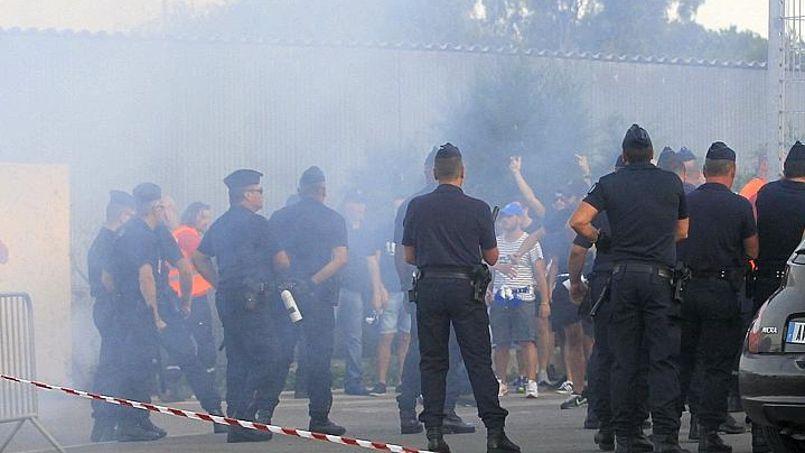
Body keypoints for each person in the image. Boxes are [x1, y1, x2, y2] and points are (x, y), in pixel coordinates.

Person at [570, 124, 690, 452]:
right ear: (652, 154)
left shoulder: (609, 183)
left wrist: (605, 239)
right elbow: (683, 231)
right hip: (660, 278)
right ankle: (665, 435)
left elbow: (578, 221)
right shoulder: (671, 182)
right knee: (662, 359)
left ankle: (627, 434)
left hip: (621, 277)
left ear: (624, 155)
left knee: (624, 359)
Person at [403, 143, 520, 453]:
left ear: (435, 173)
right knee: (479, 361)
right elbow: (493, 258)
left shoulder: (416, 206)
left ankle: (435, 435)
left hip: (430, 287)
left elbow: (409, 255)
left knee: (432, 362)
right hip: (466, 289)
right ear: (462, 173)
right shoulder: (479, 208)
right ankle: (495, 433)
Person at [677, 142, 758, 453]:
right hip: (722, 291)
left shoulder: (686, 201)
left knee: (684, 361)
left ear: (706, 171)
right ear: (732, 170)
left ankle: (669, 430)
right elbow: (753, 250)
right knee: (716, 364)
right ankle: (708, 431)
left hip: (686, 290)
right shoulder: (739, 206)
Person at [192, 169, 280, 443]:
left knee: (238, 359)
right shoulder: (258, 224)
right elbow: (281, 260)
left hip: (229, 300)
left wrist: (220, 283)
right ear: (247, 195)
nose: (262, 196)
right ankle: (248, 416)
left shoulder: (220, 224)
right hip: (253, 301)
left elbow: (198, 256)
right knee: (269, 357)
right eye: (259, 191)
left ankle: (236, 421)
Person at [394, 148, 476, 437]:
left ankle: (418, 409)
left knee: (426, 349)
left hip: (426, 286)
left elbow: (402, 253)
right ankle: (439, 410)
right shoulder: (419, 203)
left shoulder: (414, 204)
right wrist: (407, 288)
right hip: (441, 286)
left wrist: (408, 288)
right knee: (443, 350)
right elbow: (401, 252)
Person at [264, 166, 348, 436]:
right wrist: (312, 282)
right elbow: (339, 259)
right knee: (319, 358)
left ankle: (263, 412)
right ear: (322, 190)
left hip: (285, 295)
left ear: (300, 190)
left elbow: (273, 256)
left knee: (280, 355)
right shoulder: (333, 219)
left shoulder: (279, 217)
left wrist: (289, 280)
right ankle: (319, 417)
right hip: (319, 297)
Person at [108, 183, 193, 442]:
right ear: (156, 206)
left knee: (137, 365)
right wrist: (155, 314)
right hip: (139, 310)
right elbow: (146, 277)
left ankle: (139, 420)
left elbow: (107, 276)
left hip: (126, 308)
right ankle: (131, 423)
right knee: (138, 366)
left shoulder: (128, 232)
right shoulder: (141, 235)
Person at [751, 141, 805, 451]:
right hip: (800, 283)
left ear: (786, 169)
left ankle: (761, 426)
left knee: (767, 352)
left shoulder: (766, 194)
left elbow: (752, 233)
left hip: (768, 285)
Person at [87, 190, 135, 442]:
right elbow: (107, 279)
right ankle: (104, 420)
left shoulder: (106, 238)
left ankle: (110, 419)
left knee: (115, 363)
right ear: (121, 213)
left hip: (110, 307)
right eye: (129, 213)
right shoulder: (108, 240)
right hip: (111, 307)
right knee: (112, 365)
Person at [489, 202, 549, 400]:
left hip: (523, 296)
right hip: (501, 297)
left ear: (518, 218)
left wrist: (545, 301)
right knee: (501, 342)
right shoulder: (496, 242)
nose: (505, 220)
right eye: (503, 217)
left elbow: (540, 274)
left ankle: (531, 381)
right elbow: (488, 269)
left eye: (509, 216)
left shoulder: (530, 243)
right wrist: (488, 289)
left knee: (527, 340)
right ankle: (501, 381)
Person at [162, 202, 217, 402]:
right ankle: (207, 387)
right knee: (205, 342)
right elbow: (202, 258)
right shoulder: (189, 235)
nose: (207, 222)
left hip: (177, 295)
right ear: (193, 216)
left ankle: (172, 387)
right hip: (193, 296)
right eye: (203, 217)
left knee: (179, 342)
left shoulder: (177, 233)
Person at [544, 180, 591, 403]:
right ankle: (579, 388)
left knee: (590, 337)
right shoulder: (565, 219)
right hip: (568, 281)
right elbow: (556, 258)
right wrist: (551, 288)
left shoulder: (597, 214)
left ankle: (594, 384)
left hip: (591, 277)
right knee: (573, 337)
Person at [368, 197, 412, 397]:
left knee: (406, 337)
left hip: (408, 289)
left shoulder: (412, 228)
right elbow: (374, 261)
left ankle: (404, 380)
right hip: (390, 290)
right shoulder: (383, 230)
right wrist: (379, 288)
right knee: (386, 335)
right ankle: (381, 381)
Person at [336, 189, 372, 395]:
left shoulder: (365, 231)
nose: (358, 207)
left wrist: (375, 288)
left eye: (360, 203)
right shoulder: (337, 226)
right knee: (323, 334)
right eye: (354, 202)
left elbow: (371, 261)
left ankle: (354, 381)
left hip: (355, 289)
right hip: (335, 287)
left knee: (354, 337)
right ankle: (310, 382)